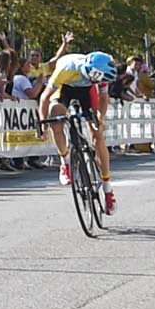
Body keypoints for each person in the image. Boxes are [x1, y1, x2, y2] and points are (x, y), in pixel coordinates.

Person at [39, 46, 119, 216]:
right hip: (65, 87)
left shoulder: (101, 70)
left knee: (98, 135)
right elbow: (44, 98)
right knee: (56, 116)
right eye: (98, 80)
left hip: (86, 92)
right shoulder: (65, 69)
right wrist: (43, 126)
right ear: (92, 73)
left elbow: (103, 98)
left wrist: (100, 118)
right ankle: (65, 160)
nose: (100, 83)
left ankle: (107, 188)